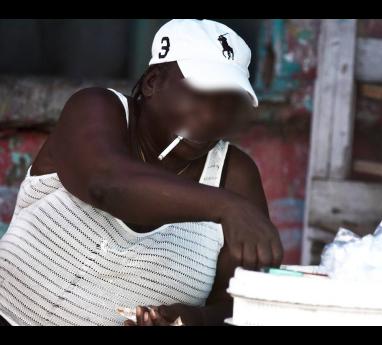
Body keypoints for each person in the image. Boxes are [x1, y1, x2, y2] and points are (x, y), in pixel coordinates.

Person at [0, 19, 283, 326]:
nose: (212, 116)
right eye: (201, 94)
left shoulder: (234, 176)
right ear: (152, 82)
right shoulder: (97, 108)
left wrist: (194, 318)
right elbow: (106, 184)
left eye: (228, 103)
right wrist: (227, 207)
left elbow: (242, 304)